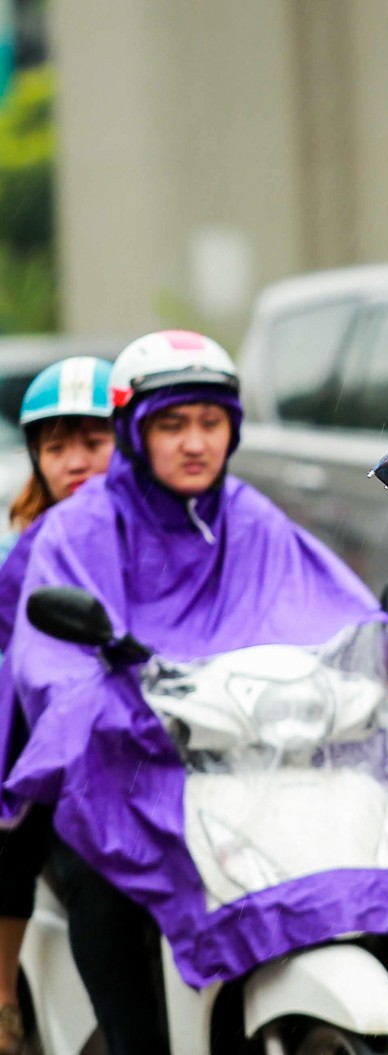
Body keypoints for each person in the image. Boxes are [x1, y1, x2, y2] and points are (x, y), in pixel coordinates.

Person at [2, 331, 388, 1054]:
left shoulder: (251, 516)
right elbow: (50, 660)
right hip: (118, 771)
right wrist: (95, 703)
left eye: (210, 422)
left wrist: (384, 663)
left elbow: (336, 607)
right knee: (107, 887)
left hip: (237, 764)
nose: (194, 442)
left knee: (356, 840)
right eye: (172, 424)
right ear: (138, 429)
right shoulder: (76, 529)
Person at [0, 355, 114, 1054]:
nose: (75, 460)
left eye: (92, 441)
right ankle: (4, 992)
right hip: (53, 746)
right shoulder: (21, 551)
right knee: (20, 802)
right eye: (55, 445)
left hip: (154, 740)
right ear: (37, 458)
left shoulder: (166, 533)